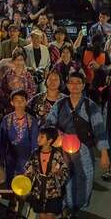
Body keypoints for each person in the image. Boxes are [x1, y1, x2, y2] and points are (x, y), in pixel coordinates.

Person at [45, 72, 110, 217]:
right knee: (62, 179)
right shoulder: (60, 104)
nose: (74, 85)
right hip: (61, 150)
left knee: (84, 180)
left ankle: (75, 208)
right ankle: (65, 208)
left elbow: (99, 129)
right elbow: (49, 124)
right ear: (67, 85)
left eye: (78, 82)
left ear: (83, 85)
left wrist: (104, 153)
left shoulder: (90, 105)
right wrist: (57, 137)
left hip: (84, 151)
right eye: (71, 82)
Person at [0, 89, 39, 188]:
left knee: (24, 186)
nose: (19, 103)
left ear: (26, 102)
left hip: (26, 159)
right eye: (16, 100)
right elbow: (1, 140)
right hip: (10, 158)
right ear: (11, 102)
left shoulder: (32, 121)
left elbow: (35, 143)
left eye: (22, 100)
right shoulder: (7, 120)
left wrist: (34, 162)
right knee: (11, 184)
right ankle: (12, 201)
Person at [23, 127, 69, 219]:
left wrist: (58, 172)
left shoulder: (57, 154)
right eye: (39, 136)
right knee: (41, 215)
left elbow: (65, 171)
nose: (38, 138)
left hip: (52, 192)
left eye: (42, 137)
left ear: (49, 140)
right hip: (38, 191)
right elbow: (29, 170)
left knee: (50, 216)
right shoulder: (35, 153)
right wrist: (24, 180)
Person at [0, 48, 36, 113]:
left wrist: (24, 103)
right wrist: (10, 102)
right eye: (16, 60)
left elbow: (33, 91)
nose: (18, 62)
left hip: (25, 108)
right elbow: (1, 90)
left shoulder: (28, 76)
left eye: (21, 60)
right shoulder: (7, 75)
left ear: (24, 61)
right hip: (10, 107)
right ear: (13, 61)